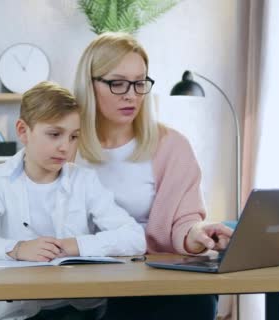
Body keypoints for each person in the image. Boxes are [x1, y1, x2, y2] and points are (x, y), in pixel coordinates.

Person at [73, 32, 234, 320]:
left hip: (154, 281)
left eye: (139, 83)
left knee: (195, 301)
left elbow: (184, 221)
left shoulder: (171, 145)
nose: (131, 94)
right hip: (85, 283)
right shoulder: (65, 146)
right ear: (90, 83)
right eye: (117, 83)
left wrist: (196, 235)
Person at [0, 81, 146, 320]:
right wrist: (17, 249)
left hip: (83, 309)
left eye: (74, 136)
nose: (65, 147)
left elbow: (134, 238)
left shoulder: (84, 181)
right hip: (22, 311)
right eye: (54, 134)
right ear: (23, 131)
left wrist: (73, 245)